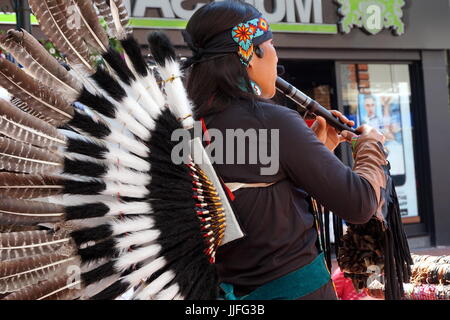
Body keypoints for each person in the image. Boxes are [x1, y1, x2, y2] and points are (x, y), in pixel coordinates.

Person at [183, 0, 388, 300]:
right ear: (250, 55)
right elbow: (359, 203)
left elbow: (260, 204)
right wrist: (371, 145)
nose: (276, 57)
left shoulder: (188, 130)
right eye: (271, 44)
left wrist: (316, 147)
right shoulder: (270, 121)